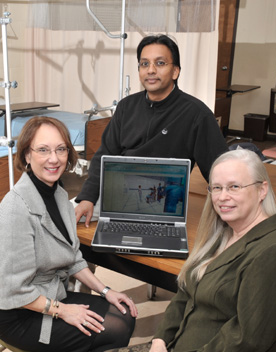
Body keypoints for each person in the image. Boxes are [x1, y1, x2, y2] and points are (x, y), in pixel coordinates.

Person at [77, 149, 276, 352]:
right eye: (217, 188)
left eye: (234, 187)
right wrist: (158, 340)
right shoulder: (224, 234)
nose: (223, 197)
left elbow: (245, 341)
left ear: (262, 190)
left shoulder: (274, 250)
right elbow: (185, 294)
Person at [0, 117, 138, 352]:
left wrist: (106, 291)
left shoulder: (60, 195)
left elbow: (73, 258)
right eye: (43, 150)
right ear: (26, 154)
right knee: (113, 330)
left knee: (124, 314)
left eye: (61, 149)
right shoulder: (15, 209)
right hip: (18, 313)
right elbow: (12, 290)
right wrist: (64, 311)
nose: (54, 159)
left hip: (49, 296)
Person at [75, 34, 228, 226]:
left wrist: (228, 206)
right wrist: (87, 197)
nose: (151, 70)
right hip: (117, 194)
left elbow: (219, 169)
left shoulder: (196, 114)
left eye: (160, 63)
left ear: (175, 71)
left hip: (163, 201)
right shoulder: (126, 107)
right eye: (144, 64)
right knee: (64, 221)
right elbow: (104, 154)